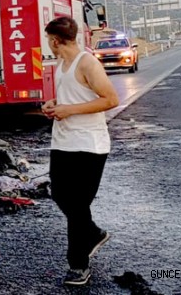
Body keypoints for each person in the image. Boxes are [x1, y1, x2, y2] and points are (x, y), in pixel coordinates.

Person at [41, 16, 119, 286]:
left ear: (55, 40)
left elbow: (111, 99)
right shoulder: (61, 64)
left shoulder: (87, 62)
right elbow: (75, 97)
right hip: (62, 142)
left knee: (77, 206)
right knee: (59, 194)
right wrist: (54, 104)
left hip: (89, 144)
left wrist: (69, 110)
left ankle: (78, 265)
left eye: (48, 39)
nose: (48, 44)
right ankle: (94, 233)